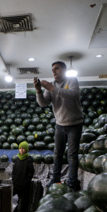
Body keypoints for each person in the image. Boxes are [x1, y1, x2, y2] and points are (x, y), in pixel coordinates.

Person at [33, 61, 83, 192]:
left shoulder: (71, 81)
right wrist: (38, 91)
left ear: (64, 70)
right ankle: (56, 178)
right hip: (60, 125)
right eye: (53, 69)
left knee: (72, 154)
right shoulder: (52, 86)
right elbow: (43, 103)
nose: (54, 71)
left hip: (75, 124)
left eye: (57, 69)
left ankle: (72, 181)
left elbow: (73, 94)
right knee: (57, 153)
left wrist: (51, 88)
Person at [12, 141, 34, 212]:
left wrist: (26, 182)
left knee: (24, 201)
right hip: (16, 184)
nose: (21, 150)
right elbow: (14, 171)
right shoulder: (17, 159)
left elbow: (30, 173)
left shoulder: (29, 160)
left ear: (26, 149)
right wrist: (14, 180)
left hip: (25, 185)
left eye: (23, 148)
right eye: (20, 148)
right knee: (15, 199)